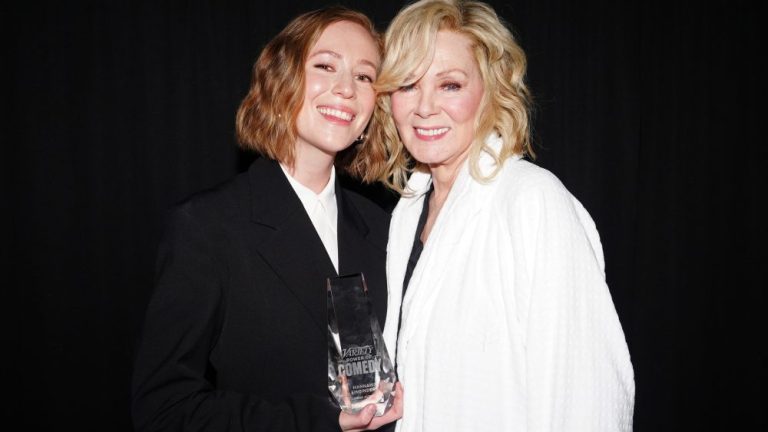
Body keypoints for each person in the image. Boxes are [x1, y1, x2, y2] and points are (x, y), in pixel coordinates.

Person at [131, 7, 402, 432]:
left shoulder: (386, 228)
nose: (345, 88)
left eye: (365, 76)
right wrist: (322, 423)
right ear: (282, 79)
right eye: (325, 65)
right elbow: (164, 408)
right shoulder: (207, 227)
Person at [370, 1, 635, 430]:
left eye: (450, 85)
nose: (425, 107)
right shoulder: (407, 213)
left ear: (490, 91)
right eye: (407, 86)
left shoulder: (531, 201)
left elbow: (590, 403)